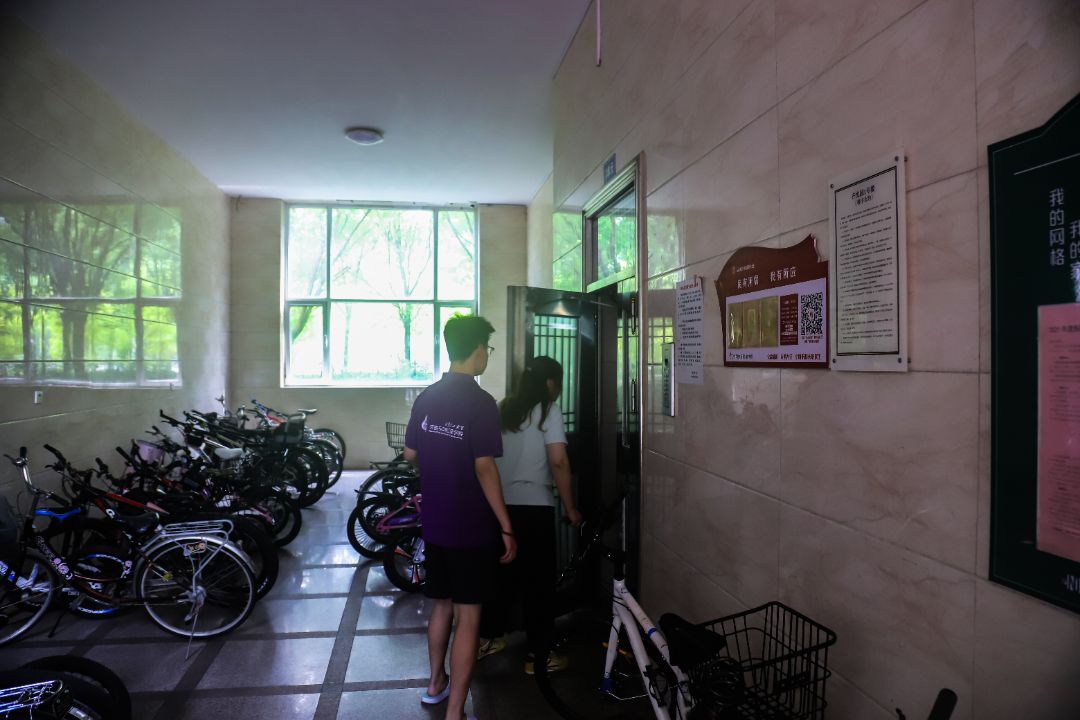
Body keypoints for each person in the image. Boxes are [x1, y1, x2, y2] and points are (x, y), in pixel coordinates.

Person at [403, 313, 516, 720]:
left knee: (442, 606)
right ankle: (455, 712)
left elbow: (410, 453)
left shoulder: (427, 396)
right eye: (489, 348)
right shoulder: (480, 402)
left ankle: (435, 685)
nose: (488, 355)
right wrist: (505, 525)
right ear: (479, 350)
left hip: (435, 522)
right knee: (469, 618)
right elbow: (485, 467)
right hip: (471, 526)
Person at [476, 355, 582, 675]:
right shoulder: (548, 410)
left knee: (501, 578)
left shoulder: (503, 408)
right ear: (550, 382)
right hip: (535, 508)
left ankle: (490, 638)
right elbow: (559, 461)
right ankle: (539, 655)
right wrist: (571, 507)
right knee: (538, 585)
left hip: (500, 507)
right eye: (558, 382)